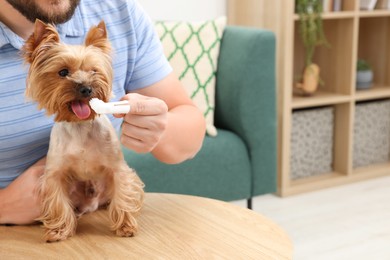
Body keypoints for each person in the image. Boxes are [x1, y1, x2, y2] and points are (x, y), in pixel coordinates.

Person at [0, 0, 206, 224]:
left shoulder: (119, 10)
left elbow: (188, 128)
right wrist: (4, 205)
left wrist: (160, 126)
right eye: (63, 72)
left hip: (99, 224)